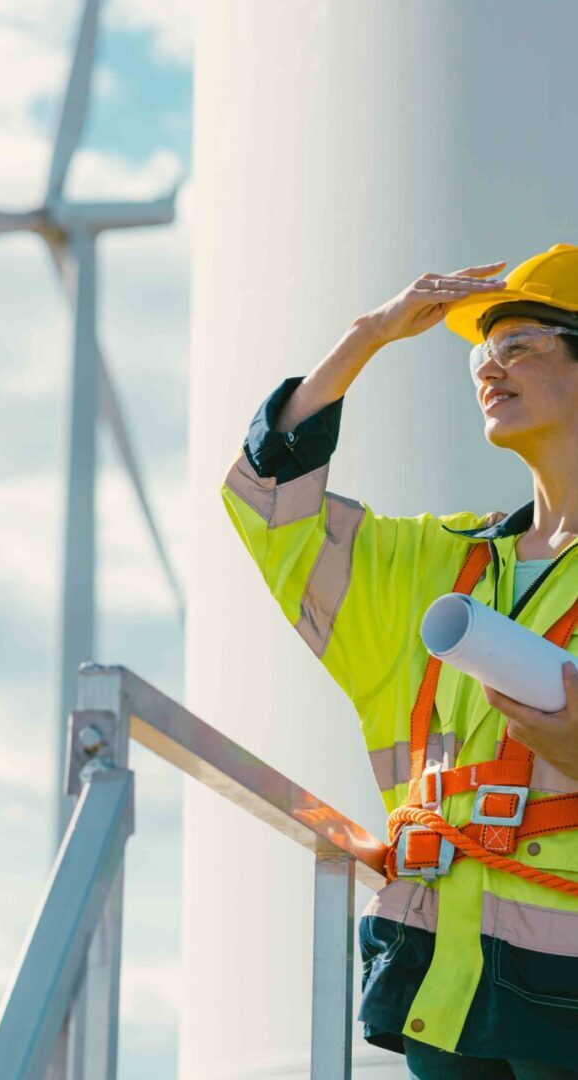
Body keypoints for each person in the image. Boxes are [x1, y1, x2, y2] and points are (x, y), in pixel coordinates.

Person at [220, 242, 578, 1079]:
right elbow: (268, 502)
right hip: (440, 986)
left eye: (519, 343)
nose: (489, 367)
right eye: (481, 355)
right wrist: (367, 337)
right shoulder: (432, 562)